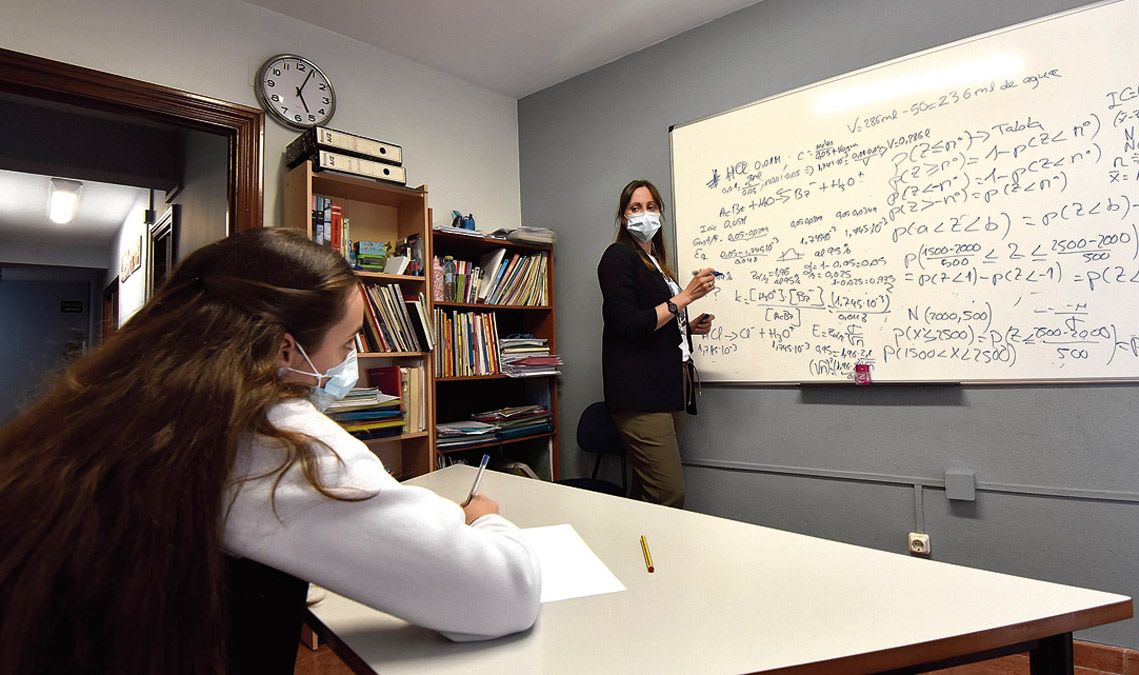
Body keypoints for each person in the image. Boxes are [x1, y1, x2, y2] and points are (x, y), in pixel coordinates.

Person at [0, 228, 541, 674]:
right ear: (286, 347)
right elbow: (501, 596)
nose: (347, 364)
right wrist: (484, 522)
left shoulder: (114, 400)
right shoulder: (285, 443)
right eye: (347, 343)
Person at [597, 179, 716, 507]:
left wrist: (688, 326)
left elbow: (657, 319)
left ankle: (632, 555)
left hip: (668, 391)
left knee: (647, 492)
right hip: (640, 397)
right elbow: (628, 324)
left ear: (660, 213)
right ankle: (658, 559)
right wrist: (686, 295)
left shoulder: (657, 265)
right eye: (636, 208)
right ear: (624, 217)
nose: (644, 214)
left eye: (651, 207)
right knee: (668, 493)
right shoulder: (618, 257)